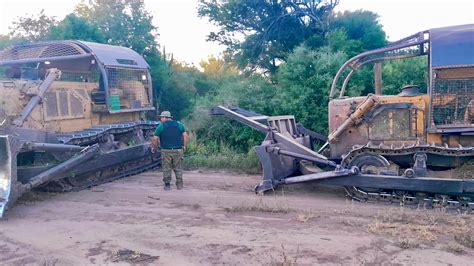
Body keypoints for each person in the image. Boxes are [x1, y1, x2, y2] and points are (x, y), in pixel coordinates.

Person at [152, 111, 187, 190]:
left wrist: (154, 147)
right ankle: (179, 185)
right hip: (178, 150)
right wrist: (184, 145)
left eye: (161, 117)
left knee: (166, 168)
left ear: (165, 117)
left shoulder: (161, 126)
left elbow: (155, 138)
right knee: (178, 167)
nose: (161, 119)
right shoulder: (179, 124)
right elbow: (184, 135)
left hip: (166, 150)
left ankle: (167, 185)